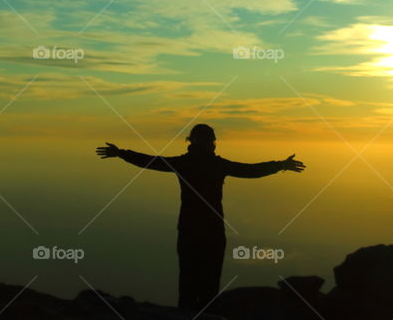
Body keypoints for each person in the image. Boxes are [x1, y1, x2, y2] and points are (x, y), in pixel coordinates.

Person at [96, 124, 305, 310]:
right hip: (212, 229)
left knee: (188, 278)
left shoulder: (184, 163)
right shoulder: (217, 164)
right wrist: (281, 165)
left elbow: (152, 162)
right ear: (212, 142)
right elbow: (250, 171)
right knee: (210, 280)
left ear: (190, 141)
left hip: (188, 228)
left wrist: (121, 153)